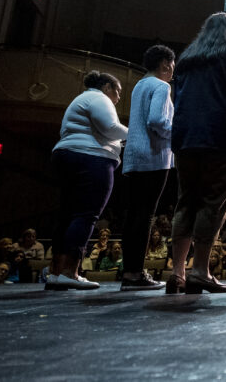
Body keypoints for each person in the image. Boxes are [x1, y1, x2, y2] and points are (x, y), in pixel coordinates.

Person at [167, 13, 226, 295]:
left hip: (185, 136)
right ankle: (200, 271)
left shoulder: (186, 57)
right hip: (220, 135)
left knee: (185, 201)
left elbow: (178, 96)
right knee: (212, 202)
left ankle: (177, 273)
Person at [46, 70, 128, 290]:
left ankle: (55, 272)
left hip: (67, 155)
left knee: (67, 214)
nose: (118, 98)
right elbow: (110, 128)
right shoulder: (99, 98)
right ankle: (69, 272)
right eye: (117, 92)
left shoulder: (81, 99)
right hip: (91, 159)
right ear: (108, 87)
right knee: (86, 214)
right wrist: (135, 133)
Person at [120, 44, 176, 291]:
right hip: (153, 156)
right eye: (172, 65)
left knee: (133, 215)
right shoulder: (162, 85)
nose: (173, 70)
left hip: (134, 156)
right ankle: (135, 274)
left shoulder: (140, 85)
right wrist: (177, 132)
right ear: (165, 63)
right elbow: (157, 120)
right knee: (145, 217)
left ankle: (130, 271)